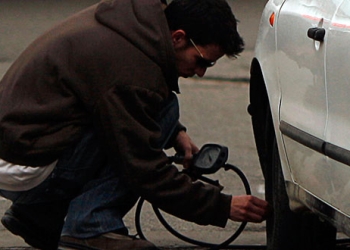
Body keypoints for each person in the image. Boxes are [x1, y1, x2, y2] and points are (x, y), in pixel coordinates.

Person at [0, 0, 270, 249]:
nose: (201, 72)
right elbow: (142, 168)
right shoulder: (131, 69)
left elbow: (114, 103)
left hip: (22, 148)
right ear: (178, 37)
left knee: (163, 111)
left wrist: (176, 133)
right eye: (202, 61)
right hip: (27, 166)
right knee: (157, 115)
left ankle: (38, 215)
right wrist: (221, 206)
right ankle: (90, 226)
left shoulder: (133, 25)